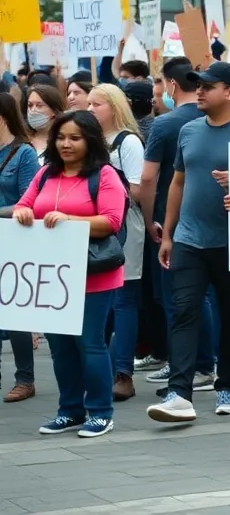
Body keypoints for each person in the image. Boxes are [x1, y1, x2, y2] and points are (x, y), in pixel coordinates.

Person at [146, 62, 230, 424]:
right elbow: (177, 184)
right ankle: (179, 393)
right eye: (197, 86)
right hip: (188, 239)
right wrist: (168, 234)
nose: (198, 91)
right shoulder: (188, 131)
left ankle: (227, 384)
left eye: (207, 86)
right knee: (184, 311)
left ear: (229, 93)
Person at [15, 111, 127, 437]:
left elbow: (111, 221)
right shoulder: (46, 174)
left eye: (74, 138)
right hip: (53, 275)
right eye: (61, 137)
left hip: (94, 274)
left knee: (90, 343)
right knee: (60, 346)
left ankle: (100, 412)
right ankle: (70, 410)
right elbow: (26, 205)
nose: (66, 144)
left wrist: (68, 220)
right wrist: (22, 213)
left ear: (90, 140)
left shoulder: (104, 175)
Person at [137, 58, 214, 391]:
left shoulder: (164, 125)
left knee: (176, 298)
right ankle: (203, 363)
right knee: (209, 297)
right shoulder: (213, 118)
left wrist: (150, 217)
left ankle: (193, 364)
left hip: (173, 224)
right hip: (211, 218)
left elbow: (148, 178)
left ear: (170, 84)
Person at [86, 84, 147, 403]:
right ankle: (104, 368)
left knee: (123, 299)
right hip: (94, 228)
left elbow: (139, 190)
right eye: (89, 103)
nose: (91, 108)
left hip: (125, 226)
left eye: (98, 103)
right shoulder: (89, 142)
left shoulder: (128, 142)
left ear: (115, 107)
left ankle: (123, 373)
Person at [0, 93, 41, 403]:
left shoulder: (23, 153)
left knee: (15, 313)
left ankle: (25, 378)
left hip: (13, 239)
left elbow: (29, 202)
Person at [27, 84, 66, 159]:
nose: (33, 110)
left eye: (39, 105)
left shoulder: (63, 141)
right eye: (30, 105)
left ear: (54, 110)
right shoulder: (21, 140)